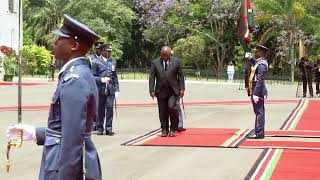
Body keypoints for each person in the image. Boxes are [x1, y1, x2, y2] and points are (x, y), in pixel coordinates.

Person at [6, 14, 102, 179]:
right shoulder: (76, 74)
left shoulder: (75, 80)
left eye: (59, 39)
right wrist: (36, 133)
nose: (54, 43)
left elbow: (72, 141)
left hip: (62, 168)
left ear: (74, 45)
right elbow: (67, 130)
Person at [149, 46, 185, 137]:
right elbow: (152, 77)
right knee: (162, 111)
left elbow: (180, 76)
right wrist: (151, 90)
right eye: (163, 54)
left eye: (166, 54)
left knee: (172, 108)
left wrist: (182, 89)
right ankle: (164, 129)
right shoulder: (155, 62)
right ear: (161, 53)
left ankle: (173, 128)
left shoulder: (176, 61)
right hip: (160, 91)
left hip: (173, 91)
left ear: (170, 54)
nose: (165, 56)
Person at [94, 44, 120, 136]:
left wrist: (117, 89)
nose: (109, 53)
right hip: (100, 89)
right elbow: (92, 77)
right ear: (102, 51)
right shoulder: (96, 62)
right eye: (107, 51)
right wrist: (101, 79)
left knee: (109, 109)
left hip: (110, 89)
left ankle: (109, 128)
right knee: (100, 109)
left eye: (110, 51)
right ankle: (100, 127)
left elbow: (115, 77)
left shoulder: (113, 62)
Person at [245, 44, 269, 139]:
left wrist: (255, 93)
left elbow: (260, 79)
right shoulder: (260, 62)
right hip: (256, 89)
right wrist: (250, 58)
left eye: (257, 51)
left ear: (262, 53)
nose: (256, 53)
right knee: (258, 111)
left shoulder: (262, 64)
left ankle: (259, 133)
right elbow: (255, 63)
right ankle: (259, 131)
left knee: (259, 112)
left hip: (257, 90)